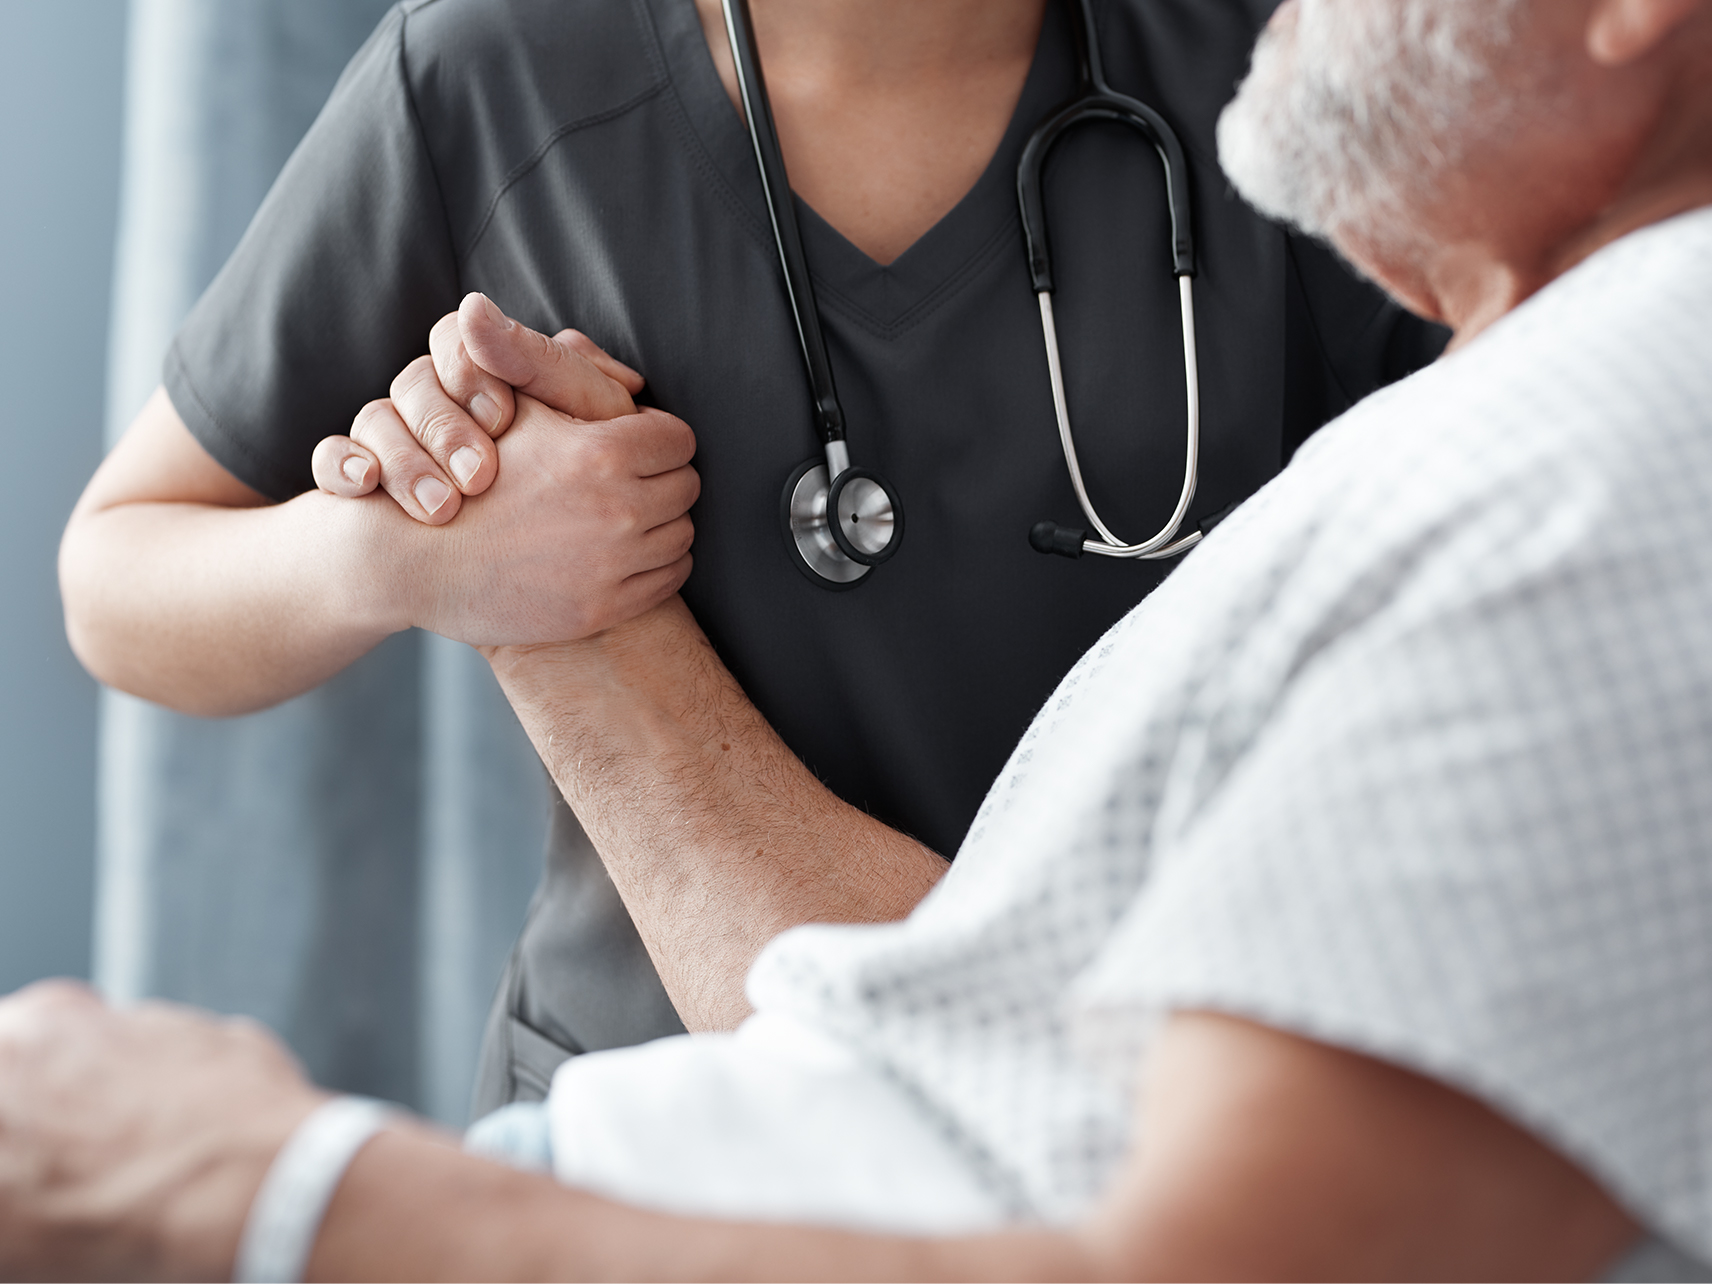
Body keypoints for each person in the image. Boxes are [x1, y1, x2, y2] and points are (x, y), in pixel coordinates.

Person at [14, 0, 1712, 1277]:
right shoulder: (497, 69)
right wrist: (396, 558)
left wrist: (286, 1193)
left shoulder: (1292, 92)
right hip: (656, 1082)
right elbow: (121, 576)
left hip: (1064, 1072)